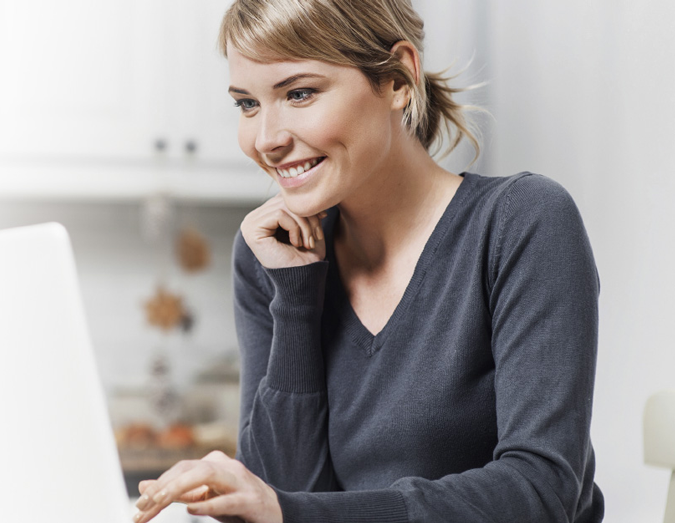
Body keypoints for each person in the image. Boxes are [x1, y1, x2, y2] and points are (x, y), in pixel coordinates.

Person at [133, 0, 605, 521]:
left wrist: (292, 512)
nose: (267, 139)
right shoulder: (268, 256)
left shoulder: (521, 222)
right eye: (247, 104)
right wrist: (296, 299)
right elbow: (280, 493)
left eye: (299, 93)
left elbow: (540, 491)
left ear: (399, 78)